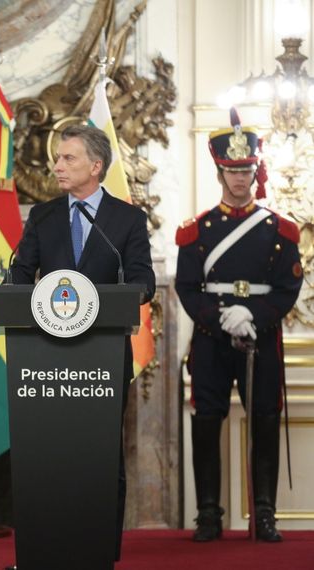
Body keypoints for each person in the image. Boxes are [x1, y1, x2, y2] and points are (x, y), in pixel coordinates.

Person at [10, 124, 155, 562]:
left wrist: (130, 294)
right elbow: (21, 275)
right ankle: (45, 548)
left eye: (68, 158)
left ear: (96, 166)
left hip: (103, 358)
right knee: (49, 454)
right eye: (57, 158)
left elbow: (142, 278)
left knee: (101, 457)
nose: (57, 166)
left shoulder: (126, 219)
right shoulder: (44, 216)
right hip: (46, 360)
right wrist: (8, 290)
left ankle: (99, 550)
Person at [175, 109, 302, 542]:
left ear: (256, 170)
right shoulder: (196, 231)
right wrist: (221, 318)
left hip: (262, 338)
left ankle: (264, 513)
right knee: (206, 421)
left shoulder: (280, 229)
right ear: (220, 172)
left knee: (264, 419)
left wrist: (254, 316)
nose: (239, 179)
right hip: (212, 340)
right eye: (231, 171)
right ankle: (208, 513)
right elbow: (188, 288)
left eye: (246, 169)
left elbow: (287, 287)